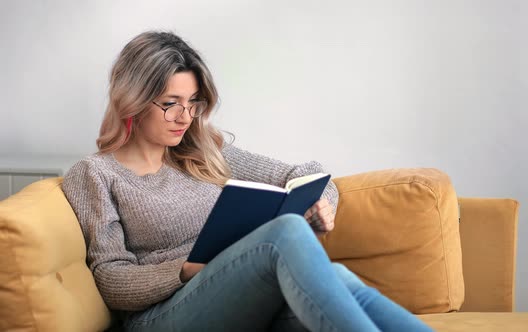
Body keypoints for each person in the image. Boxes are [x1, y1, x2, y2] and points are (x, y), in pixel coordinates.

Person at [61, 31, 433, 332]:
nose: (185, 116)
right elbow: (111, 279)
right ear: (134, 99)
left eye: (193, 102)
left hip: (235, 298)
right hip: (163, 314)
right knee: (285, 232)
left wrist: (323, 203)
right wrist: (185, 269)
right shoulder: (95, 173)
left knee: (338, 279)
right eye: (170, 102)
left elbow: (305, 173)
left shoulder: (204, 151)